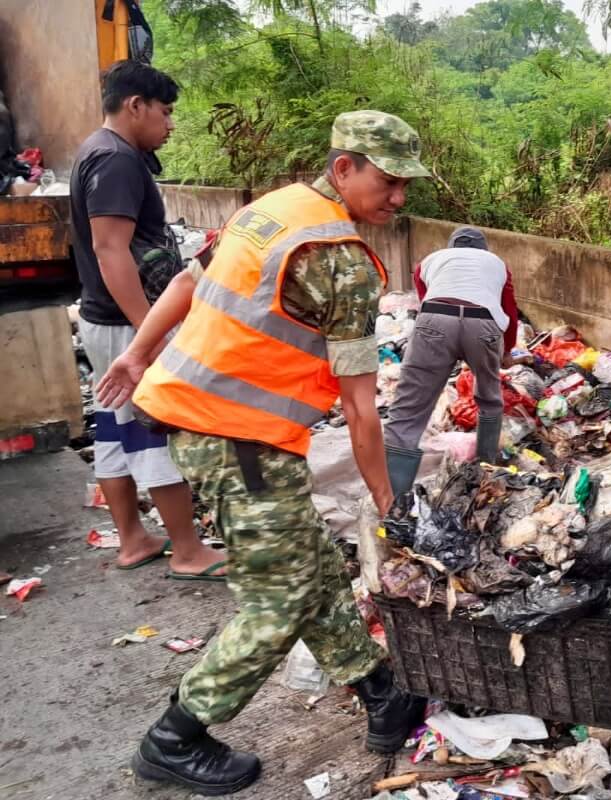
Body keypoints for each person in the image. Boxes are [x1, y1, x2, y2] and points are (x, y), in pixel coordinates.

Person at [95, 110, 431, 795]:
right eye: (389, 181)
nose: (399, 199)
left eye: (407, 185)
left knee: (312, 568)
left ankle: (380, 696)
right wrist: (386, 499)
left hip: (206, 424)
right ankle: (174, 736)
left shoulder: (272, 210)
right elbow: (362, 408)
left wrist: (136, 354)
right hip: (237, 436)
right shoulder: (340, 260)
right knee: (279, 600)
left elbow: (188, 286)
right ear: (345, 168)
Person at [70, 60, 225, 580]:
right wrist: (147, 332)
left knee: (114, 428)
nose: (170, 123)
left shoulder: (95, 150)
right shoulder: (117, 161)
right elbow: (110, 248)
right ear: (135, 105)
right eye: (165, 111)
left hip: (99, 317)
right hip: (124, 321)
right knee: (154, 429)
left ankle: (133, 539)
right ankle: (188, 551)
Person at [383, 226, 518, 495]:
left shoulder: (430, 261)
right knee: (489, 399)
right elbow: (509, 310)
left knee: (408, 409)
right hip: (484, 325)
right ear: (484, 250)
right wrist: (507, 351)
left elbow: (425, 301)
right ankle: (483, 473)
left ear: (451, 246)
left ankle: (393, 499)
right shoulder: (498, 265)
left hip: (435, 319)